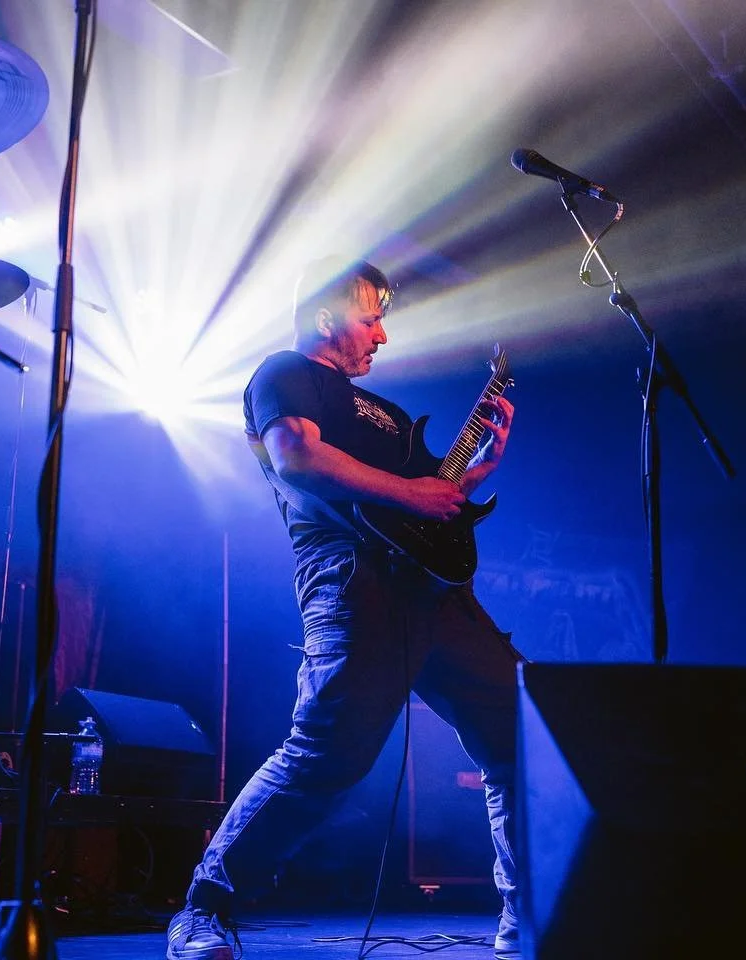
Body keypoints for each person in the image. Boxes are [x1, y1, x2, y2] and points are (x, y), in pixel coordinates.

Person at [166, 258, 524, 960]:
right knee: (327, 751)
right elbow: (297, 456)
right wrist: (414, 496)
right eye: (372, 318)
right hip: (351, 575)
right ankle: (203, 909)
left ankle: (528, 912)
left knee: (519, 734)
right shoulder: (284, 374)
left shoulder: (387, 414)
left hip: (437, 594)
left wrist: (471, 471)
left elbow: (432, 503)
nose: (382, 336)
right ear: (330, 317)